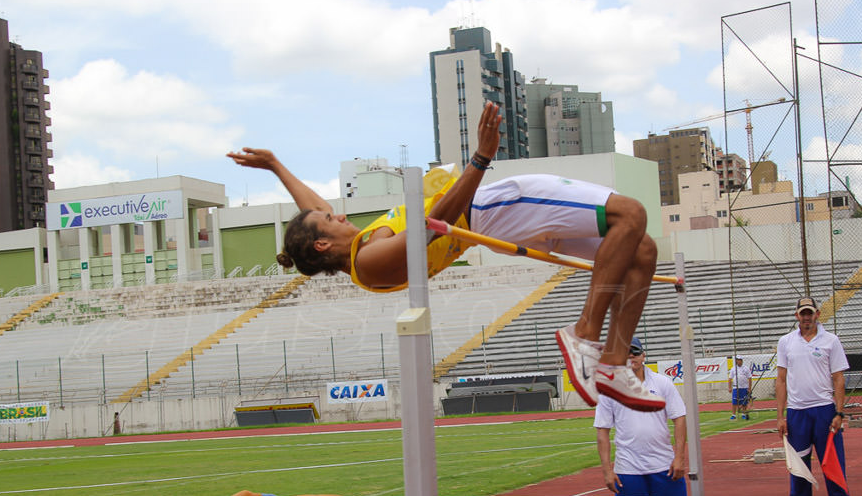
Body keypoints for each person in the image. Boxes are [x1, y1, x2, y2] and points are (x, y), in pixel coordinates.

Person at [228, 102, 663, 411]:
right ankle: (585, 334)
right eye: (329, 217)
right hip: (488, 209)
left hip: (492, 221)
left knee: (641, 247)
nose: (337, 212)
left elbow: (310, 210)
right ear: (323, 245)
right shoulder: (368, 261)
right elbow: (432, 223)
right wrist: (481, 158)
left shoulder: (360, 248)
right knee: (631, 212)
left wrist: (276, 166)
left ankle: (614, 359)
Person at [776, 297, 854, 496]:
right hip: (797, 414)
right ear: (796, 316)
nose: (807, 317)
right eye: (803, 313)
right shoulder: (786, 342)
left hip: (824, 411)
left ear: (818, 314)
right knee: (799, 470)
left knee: (833, 466)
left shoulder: (831, 340)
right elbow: (781, 380)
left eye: (810, 313)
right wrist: (780, 416)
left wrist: (839, 412)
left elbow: (838, 379)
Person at [593, 337, 688, 496]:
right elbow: (602, 431)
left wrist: (679, 457)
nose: (631, 357)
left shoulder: (662, 383)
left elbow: (679, 418)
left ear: (643, 356)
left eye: (635, 352)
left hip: (664, 466)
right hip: (628, 469)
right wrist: (607, 470)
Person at [728, 355, 752, 420]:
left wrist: (749, 388)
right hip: (736, 387)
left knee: (744, 401)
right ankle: (733, 415)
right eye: (737, 360)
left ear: (741, 361)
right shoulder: (733, 368)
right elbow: (730, 378)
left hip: (744, 387)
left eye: (739, 360)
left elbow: (749, 378)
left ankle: (743, 414)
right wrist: (729, 387)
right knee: (734, 401)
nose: (738, 361)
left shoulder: (746, 368)